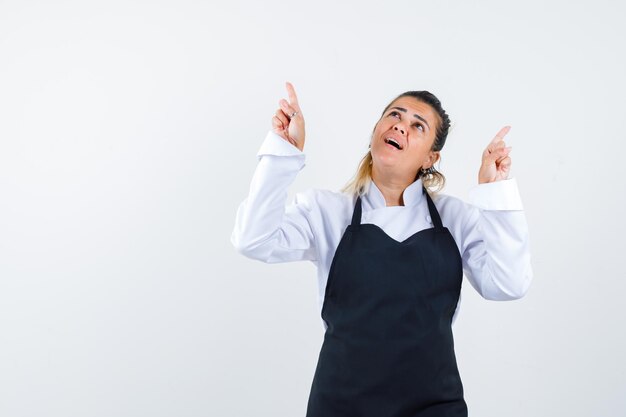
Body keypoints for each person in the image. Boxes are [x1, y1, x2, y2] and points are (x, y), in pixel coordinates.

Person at [231, 82, 533, 417]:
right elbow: (253, 239)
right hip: (341, 405)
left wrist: (496, 193)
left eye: (418, 125)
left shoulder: (455, 219)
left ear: (431, 157)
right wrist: (283, 155)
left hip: (435, 407)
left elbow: (508, 285)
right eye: (394, 115)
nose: (400, 125)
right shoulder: (327, 211)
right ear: (376, 130)